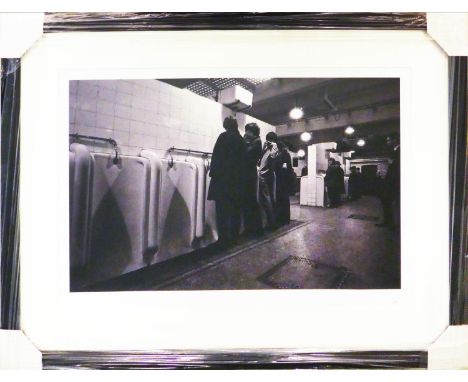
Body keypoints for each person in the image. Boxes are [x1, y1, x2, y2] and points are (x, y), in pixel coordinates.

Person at [207, 116, 247, 247]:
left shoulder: (223, 137)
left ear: (226, 126)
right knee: (235, 209)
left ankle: (223, 239)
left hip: (223, 181)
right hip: (237, 182)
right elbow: (243, 162)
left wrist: (213, 175)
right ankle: (234, 238)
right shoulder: (241, 140)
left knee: (222, 211)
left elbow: (216, 157)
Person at [242, 122, 263, 237]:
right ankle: (251, 228)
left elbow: (246, 153)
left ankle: (256, 229)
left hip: (249, 175)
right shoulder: (254, 141)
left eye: (247, 131)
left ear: (253, 132)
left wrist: (244, 142)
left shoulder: (257, 142)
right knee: (249, 201)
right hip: (249, 174)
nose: (245, 133)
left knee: (251, 202)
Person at [376, 134, 400, 229]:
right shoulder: (395, 151)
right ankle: (388, 222)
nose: (387, 142)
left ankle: (391, 223)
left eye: (389, 140)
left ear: (395, 140)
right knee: (386, 202)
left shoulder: (399, 151)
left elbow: (396, 168)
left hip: (394, 182)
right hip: (391, 181)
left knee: (389, 203)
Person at [258, 131, 279, 230]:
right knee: (266, 200)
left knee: (267, 200)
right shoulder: (266, 149)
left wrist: (274, 146)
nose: (267, 141)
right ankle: (269, 222)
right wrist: (264, 147)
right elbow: (260, 159)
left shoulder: (274, 148)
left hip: (266, 176)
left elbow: (272, 156)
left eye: (268, 140)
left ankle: (272, 223)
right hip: (264, 175)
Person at [273, 140, 294, 226]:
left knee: (281, 199)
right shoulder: (286, 155)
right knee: (284, 199)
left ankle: (282, 219)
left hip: (281, 180)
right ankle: (285, 219)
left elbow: (277, 166)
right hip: (285, 180)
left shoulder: (282, 156)